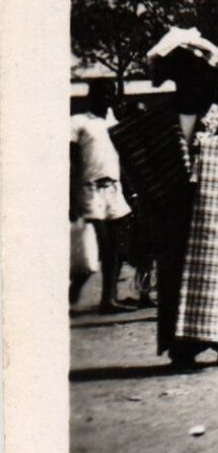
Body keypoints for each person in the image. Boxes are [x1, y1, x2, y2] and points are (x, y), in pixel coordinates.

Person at [110, 27, 218, 368]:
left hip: (216, 212)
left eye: (201, 76)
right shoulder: (158, 119)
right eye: (187, 76)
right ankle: (182, 349)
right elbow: (139, 156)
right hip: (174, 209)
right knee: (175, 277)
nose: (195, 83)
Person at [70, 79, 134, 313]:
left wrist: (130, 189)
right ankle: (73, 289)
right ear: (92, 95)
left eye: (111, 94)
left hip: (114, 189)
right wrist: (71, 195)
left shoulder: (113, 124)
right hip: (90, 189)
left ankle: (109, 299)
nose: (107, 98)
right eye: (103, 93)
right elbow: (72, 161)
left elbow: (120, 159)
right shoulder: (78, 123)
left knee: (116, 246)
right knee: (98, 246)